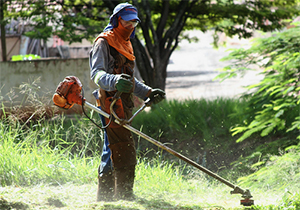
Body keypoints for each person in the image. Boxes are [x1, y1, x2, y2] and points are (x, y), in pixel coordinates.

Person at [89, 2, 165, 201]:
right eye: (128, 22)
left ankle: (112, 196)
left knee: (117, 148)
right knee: (118, 147)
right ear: (117, 20)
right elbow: (96, 74)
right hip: (109, 103)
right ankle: (116, 196)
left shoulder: (127, 43)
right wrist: (113, 81)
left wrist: (147, 92)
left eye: (134, 23)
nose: (131, 26)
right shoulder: (103, 42)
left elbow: (130, 80)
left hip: (125, 104)